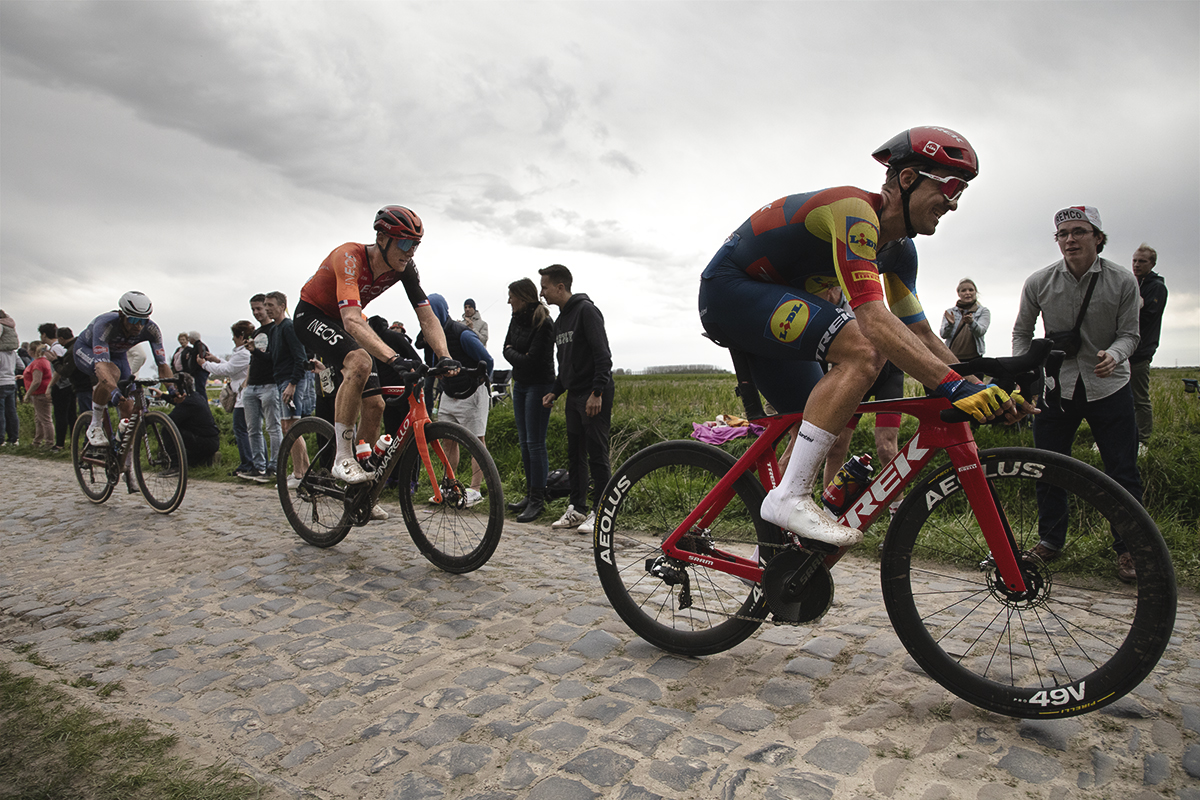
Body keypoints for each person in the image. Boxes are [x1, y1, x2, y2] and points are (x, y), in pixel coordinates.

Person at [698, 126, 1019, 548]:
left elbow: (920, 331)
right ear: (907, 180)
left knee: (815, 417)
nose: (954, 204)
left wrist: (976, 386)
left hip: (775, 305)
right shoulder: (854, 212)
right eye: (952, 186)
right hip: (730, 292)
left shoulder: (900, 251)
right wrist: (951, 384)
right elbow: (872, 320)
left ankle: (772, 556)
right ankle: (790, 498)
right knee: (864, 351)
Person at [1012, 205, 1142, 583]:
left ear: (1098, 238)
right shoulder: (1039, 281)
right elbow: (1022, 331)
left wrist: (1115, 355)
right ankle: (1050, 540)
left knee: (1122, 469)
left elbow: (1130, 334)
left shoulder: (1122, 281)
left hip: (1109, 385)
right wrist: (1027, 369)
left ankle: (1130, 547)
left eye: (1079, 232)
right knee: (1048, 467)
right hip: (1057, 386)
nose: (1070, 240)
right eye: (1063, 234)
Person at [294, 204, 455, 485]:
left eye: (415, 244)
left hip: (347, 320)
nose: (410, 251)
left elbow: (426, 315)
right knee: (360, 361)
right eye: (405, 242)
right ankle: (342, 458)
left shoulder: (404, 267)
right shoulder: (350, 257)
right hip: (313, 315)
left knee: (376, 405)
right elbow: (352, 321)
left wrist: (444, 356)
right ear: (382, 238)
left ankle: (361, 485)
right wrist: (393, 358)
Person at [539, 264, 614, 533]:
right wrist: (556, 391)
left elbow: (603, 356)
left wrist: (598, 392)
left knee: (597, 454)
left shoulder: (587, 311)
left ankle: (603, 512)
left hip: (593, 394)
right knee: (575, 454)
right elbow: (566, 365)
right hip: (574, 395)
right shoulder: (560, 321)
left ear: (560, 287)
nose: (542, 293)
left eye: (545, 287)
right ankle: (578, 509)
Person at [418, 294, 494, 506]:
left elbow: (487, 360)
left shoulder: (463, 334)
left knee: (476, 441)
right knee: (447, 440)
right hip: (448, 393)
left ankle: (475, 489)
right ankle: (449, 487)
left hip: (472, 391)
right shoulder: (429, 334)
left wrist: (482, 383)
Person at [73, 291, 173, 447]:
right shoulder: (105, 324)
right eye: (133, 320)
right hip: (87, 351)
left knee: (128, 406)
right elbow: (101, 366)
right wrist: (113, 391)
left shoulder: (152, 329)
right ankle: (95, 425)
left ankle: (123, 459)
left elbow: (162, 364)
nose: (138, 326)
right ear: (121, 315)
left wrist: (173, 390)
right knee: (112, 373)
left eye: (143, 321)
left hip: (118, 356)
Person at [503, 277, 556, 522]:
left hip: (539, 385)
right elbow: (505, 349)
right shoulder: (516, 318)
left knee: (536, 443)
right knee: (524, 442)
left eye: (511, 297)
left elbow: (533, 359)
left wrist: (517, 354)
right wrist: (518, 353)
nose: (508, 301)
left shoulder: (544, 322)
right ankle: (530, 493)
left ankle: (538, 499)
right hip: (521, 384)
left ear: (522, 298)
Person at [264, 291, 312, 488]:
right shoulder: (274, 330)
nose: (267, 308)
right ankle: (306, 470)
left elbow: (300, 358)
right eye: (265, 305)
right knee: (288, 426)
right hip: (281, 379)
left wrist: (292, 384)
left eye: (271, 305)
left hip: (291, 381)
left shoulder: (288, 327)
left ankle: (300, 473)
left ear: (282, 305)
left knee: (292, 426)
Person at [202, 320, 256, 475]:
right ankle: (248, 462)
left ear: (241, 336)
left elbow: (228, 370)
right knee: (245, 430)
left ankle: (247, 462)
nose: (233, 339)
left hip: (242, 398)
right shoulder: (242, 353)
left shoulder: (243, 353)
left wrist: (204, 365)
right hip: (242, 395)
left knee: (241, 430)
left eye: (234, 336)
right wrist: (216, 360)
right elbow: (232, 367)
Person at [1129, 244, 1168, 450]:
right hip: (1121, 351)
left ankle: (1143, 440)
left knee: (1139, 398)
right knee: (1117, 398)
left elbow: (1147, 314)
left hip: (1141, 351)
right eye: (1135, 260)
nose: (1136, 265)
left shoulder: (1157, 287)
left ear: (1152, 264)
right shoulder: (1131, 283)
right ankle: (1120, 436)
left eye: (1142, 261)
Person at [239, 294, 281, 482]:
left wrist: (255, 350)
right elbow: (253, 359)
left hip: (270, 384)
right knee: (252, 429)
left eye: (259, 308)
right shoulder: (256, 333)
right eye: (253, 309)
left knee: (273, 427)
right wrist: (246, 382)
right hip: (253, 385)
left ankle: (274, 467)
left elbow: (274, 357)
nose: (256, 313)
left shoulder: (276, 330)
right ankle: (258, 467)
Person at [164, 372, 220, 467]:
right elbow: (180, 404)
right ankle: (198, 460)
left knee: (167, 429)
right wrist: (162, 396)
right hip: (211, 441)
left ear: (177, 387)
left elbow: (170, 420)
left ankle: (175, 465)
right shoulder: (196, 396)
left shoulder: (187, 403)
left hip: (204, 442)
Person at [940, 278, 990, 361]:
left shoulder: (983, 311)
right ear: (958, 294)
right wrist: (950, 324)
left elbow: (981, 331)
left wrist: (971, 323)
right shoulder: (950, 312)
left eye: (971, 290)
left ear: (975, 292)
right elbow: (943, 335)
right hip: (953, 357)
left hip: (975, 358)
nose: (967, 293)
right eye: (963, 290)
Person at [22, 343, 54, 447]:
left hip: (40, 393)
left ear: (32, 351)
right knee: (39, 418)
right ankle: (37, 440)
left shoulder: (37, 363)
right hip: (42, 392)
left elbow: (36, 381)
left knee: (45, 419)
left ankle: (49, 442)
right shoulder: (45, 362)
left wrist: (27, 394)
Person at [0, 311, 18, 446]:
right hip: (11, 381)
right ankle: (14, 439)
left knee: (0, 413)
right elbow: (21, 365)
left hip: (1, 382)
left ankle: (1, 439)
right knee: (11, 412)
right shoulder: (12, 352)